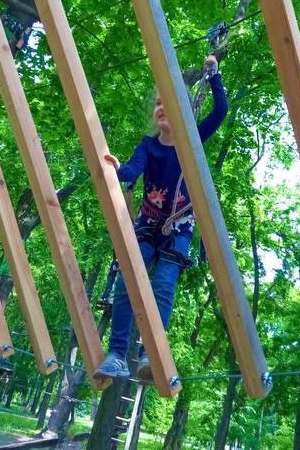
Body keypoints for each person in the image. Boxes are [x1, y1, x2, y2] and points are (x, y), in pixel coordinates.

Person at [94, 55, 228, 382]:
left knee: (164, 284)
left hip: (179, 226)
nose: (162, 107)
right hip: (148, 224)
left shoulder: (192, 141)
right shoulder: (148, 145)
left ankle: (148, 353)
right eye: (158, 103)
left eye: (169, 102)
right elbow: (132, 170)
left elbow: (220, 112)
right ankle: (116, 354)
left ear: (186, 110)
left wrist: (214, 77)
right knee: (128, 278)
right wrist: (117, 169)